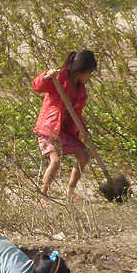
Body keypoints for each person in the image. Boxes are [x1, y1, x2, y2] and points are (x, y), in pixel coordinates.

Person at [32, 50, 98, 204]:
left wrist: (83, 131)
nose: (89, 77)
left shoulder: (80, 90)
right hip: (49, 128)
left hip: (64, 131)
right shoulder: (60, 77)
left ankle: (70, 192)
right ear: (82, 71)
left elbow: (77, 114)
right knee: (55, 161)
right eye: (90, 73)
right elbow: (37, 86)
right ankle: (42, 195)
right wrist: (46, 76)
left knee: (83, 156)